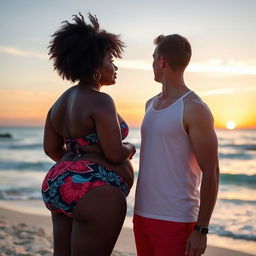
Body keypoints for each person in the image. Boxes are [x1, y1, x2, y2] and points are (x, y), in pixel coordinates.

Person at [41, 13, 135, 256]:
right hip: (96, 193)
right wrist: (131, 148)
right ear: (95, 67)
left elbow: (51, 148)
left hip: (58, 185)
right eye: (110, 60)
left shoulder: (59, 103)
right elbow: (115, 154)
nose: (115, 66)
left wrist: (75, 167)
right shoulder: (102, 101)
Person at [133, 34, 219, 256]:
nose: (152, 64)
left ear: (161, 61)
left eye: (153, 58)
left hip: (176, 219)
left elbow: (212, 171)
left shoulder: (194, 108)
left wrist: (201, 229)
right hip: (142, 215)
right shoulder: (149, 105)